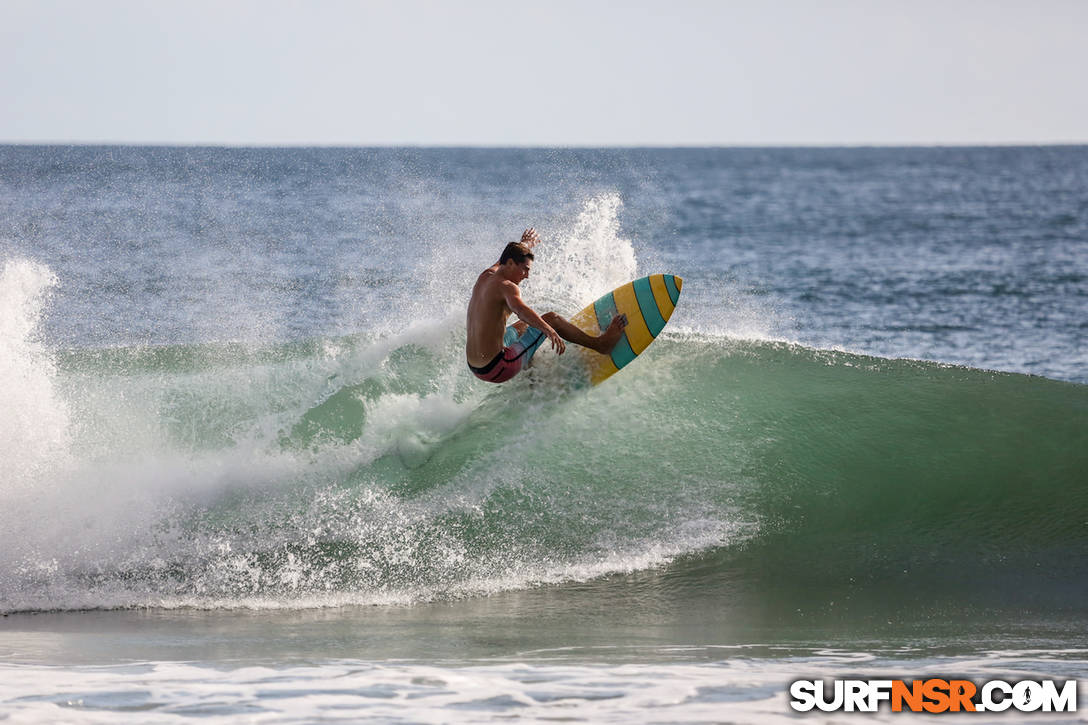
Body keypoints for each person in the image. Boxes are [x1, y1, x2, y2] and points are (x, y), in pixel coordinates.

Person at [466, 228, 628, 383]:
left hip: (475, 366)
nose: (527, 276)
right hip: (499, 367)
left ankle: (530, 375)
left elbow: (502, 260)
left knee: (524, 328)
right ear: (510, 263)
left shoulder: (486, 276)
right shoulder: (508, 287)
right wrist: (549, 329)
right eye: (525, 269)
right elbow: (521, 310)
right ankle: (600, 345)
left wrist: (525, 244)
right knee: (551, 319)